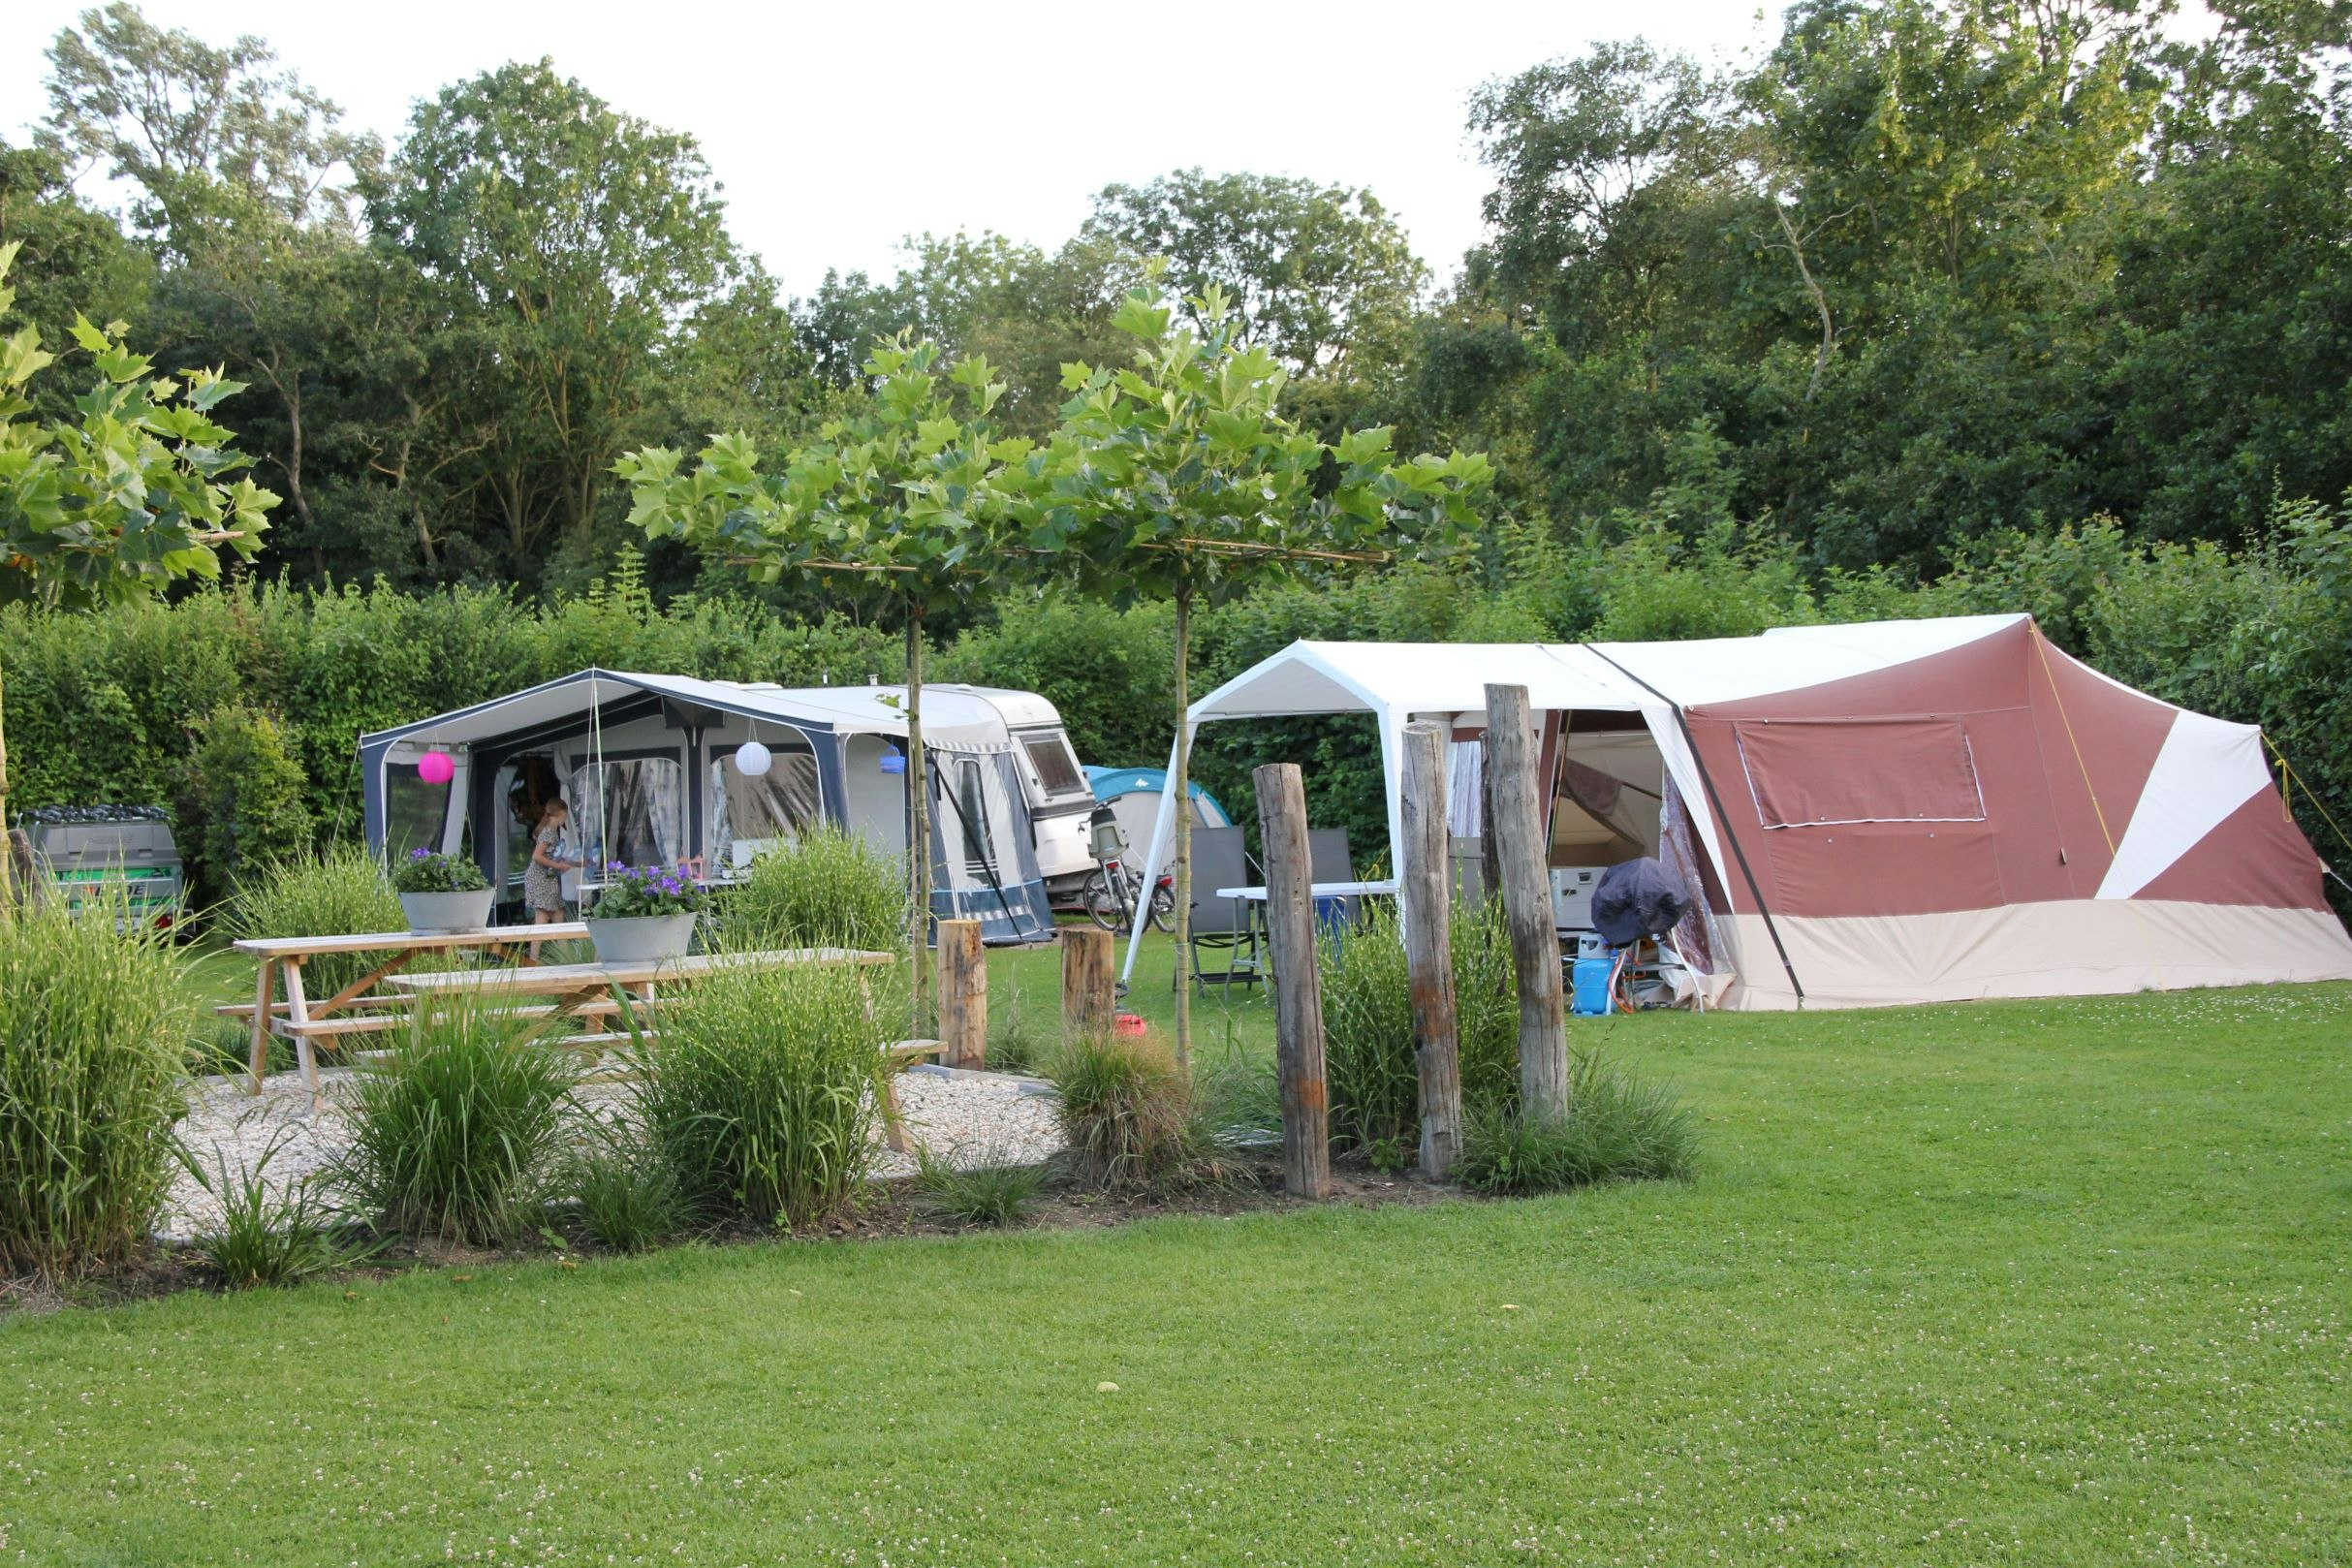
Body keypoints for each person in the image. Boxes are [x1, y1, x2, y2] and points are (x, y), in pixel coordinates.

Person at [523, 799, 580, 957]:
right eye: (565, 816)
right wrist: (557, 866)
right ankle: (533, 959)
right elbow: (537, 856)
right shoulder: (549, 833)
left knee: (557, 914)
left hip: (546, 878)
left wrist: (571, 863)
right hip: (540, 879)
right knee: (543, 916)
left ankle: (566, 957)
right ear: (561, 814)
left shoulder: (551, 832)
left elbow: (549, 857)